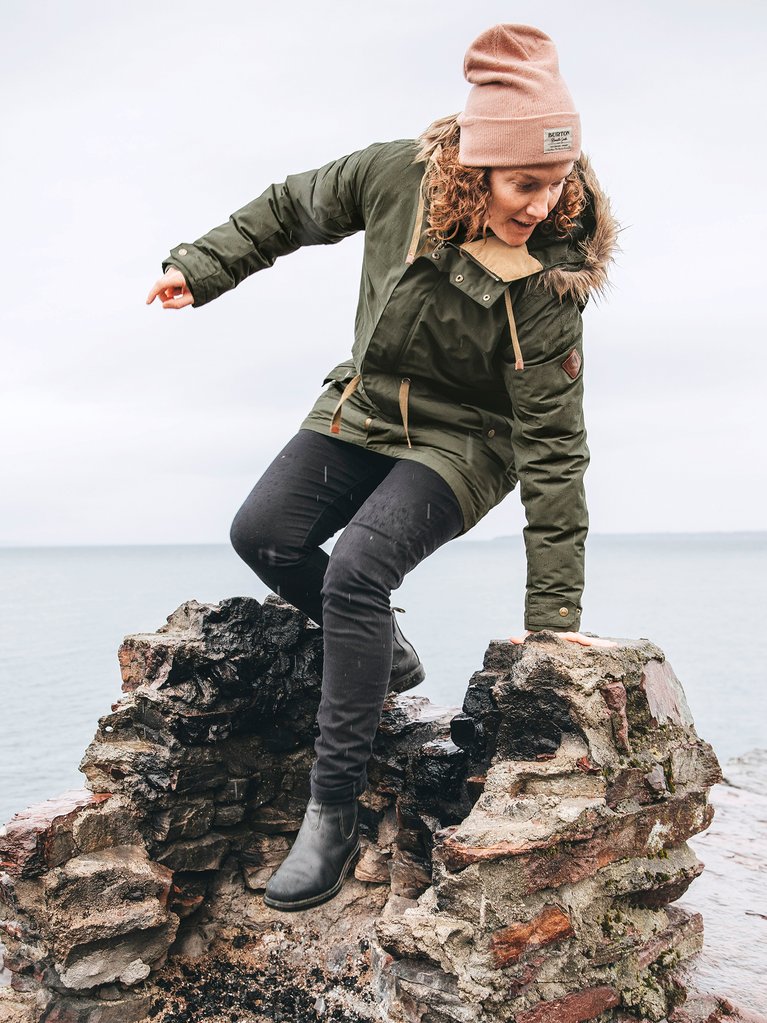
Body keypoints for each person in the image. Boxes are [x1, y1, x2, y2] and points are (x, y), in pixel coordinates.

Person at [146, 23, 620, 912]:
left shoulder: (546, 280)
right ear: (474, 166)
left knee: (359, 570)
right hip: (362, 405)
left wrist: (552, 612)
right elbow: (290, 207)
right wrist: (201, 266)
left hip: (468, 440)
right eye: (525, 181)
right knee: (263, 533)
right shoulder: (393, 175)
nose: (543, 202)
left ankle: (330, 811)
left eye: (558, 180)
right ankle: (383, 649)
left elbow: (554, 447)